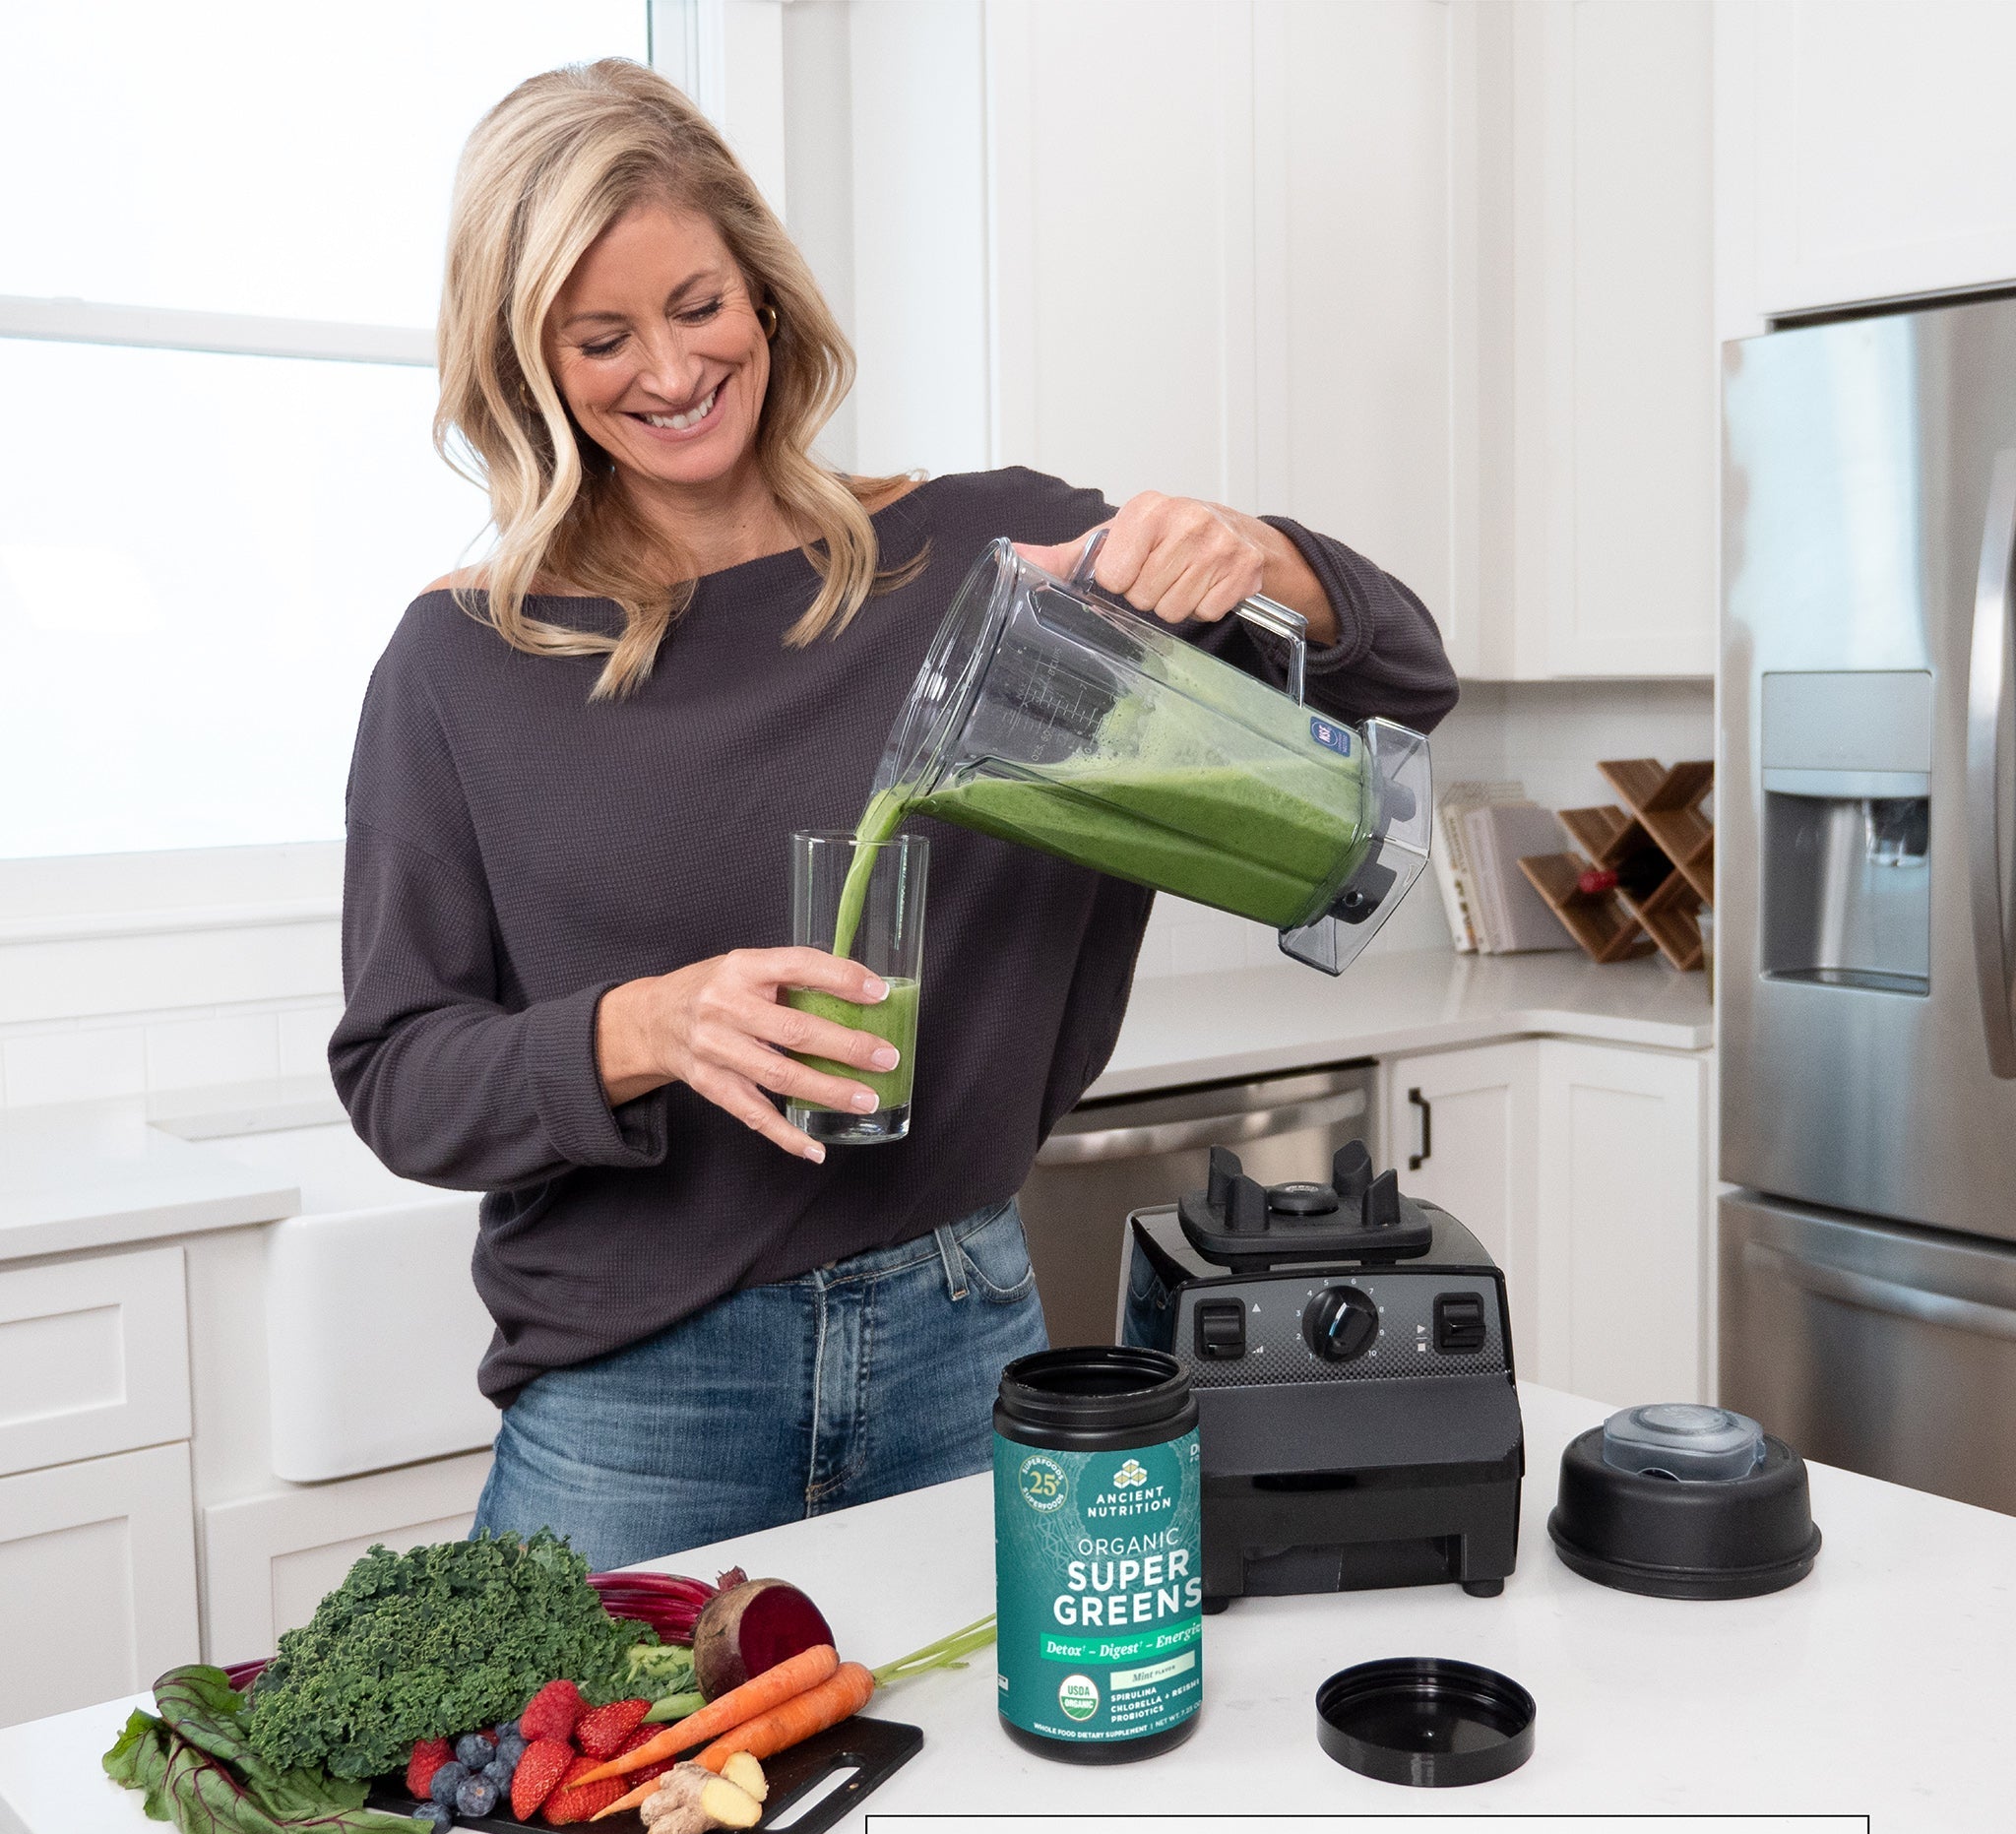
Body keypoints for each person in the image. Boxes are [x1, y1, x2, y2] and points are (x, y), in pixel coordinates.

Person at [332, 59, 1458, 1572]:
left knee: (983, 1801)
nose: (669, 370)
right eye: (600, 337)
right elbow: (401, 1076)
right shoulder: (471, 662)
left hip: (961, 1332)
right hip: (635, 1402)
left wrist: (1273, 559)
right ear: (523, 360)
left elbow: (1405, 687)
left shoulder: (1002, 561)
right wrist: (648, 1029)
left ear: (768, 297)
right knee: (574, 1808)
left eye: (699, 306)